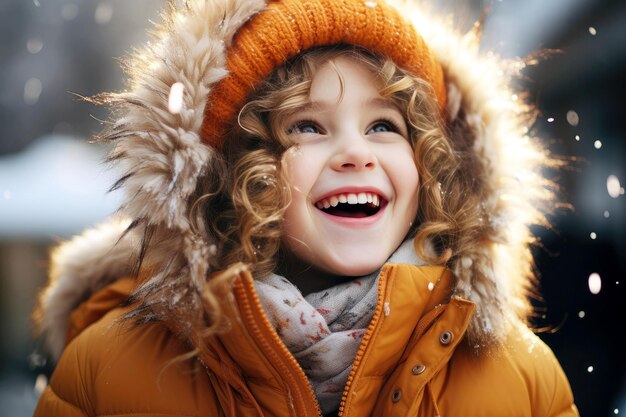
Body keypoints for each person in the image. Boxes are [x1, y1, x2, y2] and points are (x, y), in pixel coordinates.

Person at [32, 0, 579, 416]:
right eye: (308, 127)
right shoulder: (111, 372)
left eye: (383, 126)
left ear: (432, 169)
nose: (355, 154)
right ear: (235, 173)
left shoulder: (517, 377)